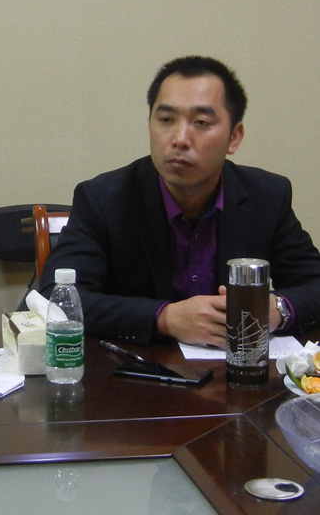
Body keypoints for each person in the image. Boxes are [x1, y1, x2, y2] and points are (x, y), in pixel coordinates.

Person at [37, 55, 320, 346]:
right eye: (166, 120)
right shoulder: (104, 199)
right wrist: (164, 318)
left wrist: (277, 310)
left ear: (234, 137)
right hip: (136, 368)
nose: (180, 138)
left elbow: (314, 283)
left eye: (201, 122)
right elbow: (55, 299)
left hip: (239, 368)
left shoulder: (267, 196)